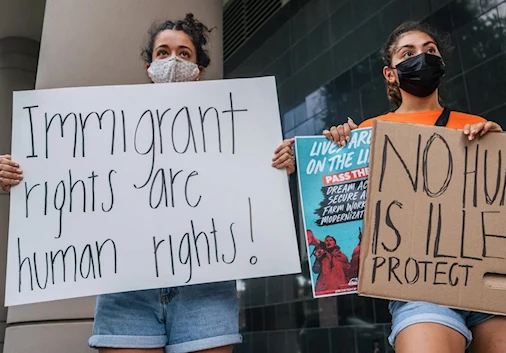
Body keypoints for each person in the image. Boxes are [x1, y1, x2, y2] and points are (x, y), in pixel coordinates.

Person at [0, 13, 293, 353]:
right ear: (149, 66)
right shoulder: (103, 130)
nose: (173, 61)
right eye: (163, 52)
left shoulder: (237, 129)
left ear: (198, 70)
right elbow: (67, 182)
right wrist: (20, 175)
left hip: (206, 288)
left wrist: (278, 166)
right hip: (128, 289)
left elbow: (253, 191)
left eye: (184, 54)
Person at [274, 21, 506, 353]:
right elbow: (344, 207)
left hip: (493, 282)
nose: (421, 58)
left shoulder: (476, 126)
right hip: (420, 286)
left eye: (430, 51)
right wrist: (315, 154)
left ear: (440, 63)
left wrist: (503, 151)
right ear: (391, 74)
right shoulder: (371, 132)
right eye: (407, 53)